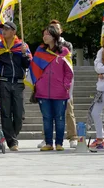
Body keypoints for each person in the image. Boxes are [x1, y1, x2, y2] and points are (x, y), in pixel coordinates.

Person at [37, 20, 77, 149]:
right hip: (43, 92)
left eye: (47, 34)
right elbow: (35, 69)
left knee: (60, 118)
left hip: (60, 91)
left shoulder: (64, 51)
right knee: (47, 118)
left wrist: (65, 86)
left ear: (54, 35)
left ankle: (59, 143)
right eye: (44, 34)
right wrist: (38, 85)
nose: (45, 36)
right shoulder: (41, 51)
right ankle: (48, 143)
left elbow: (69, 71)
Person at [0, 21, 31, 151]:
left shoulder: (22, 46)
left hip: (18, 83)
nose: (4, 31)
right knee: (6, 113)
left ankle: (11, 135)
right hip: (4, 82)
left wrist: (25, 54)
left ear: (14, 32)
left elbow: (28, 64)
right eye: (3, 29)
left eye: (7, 29)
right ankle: (12, 142)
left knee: (20, 114)